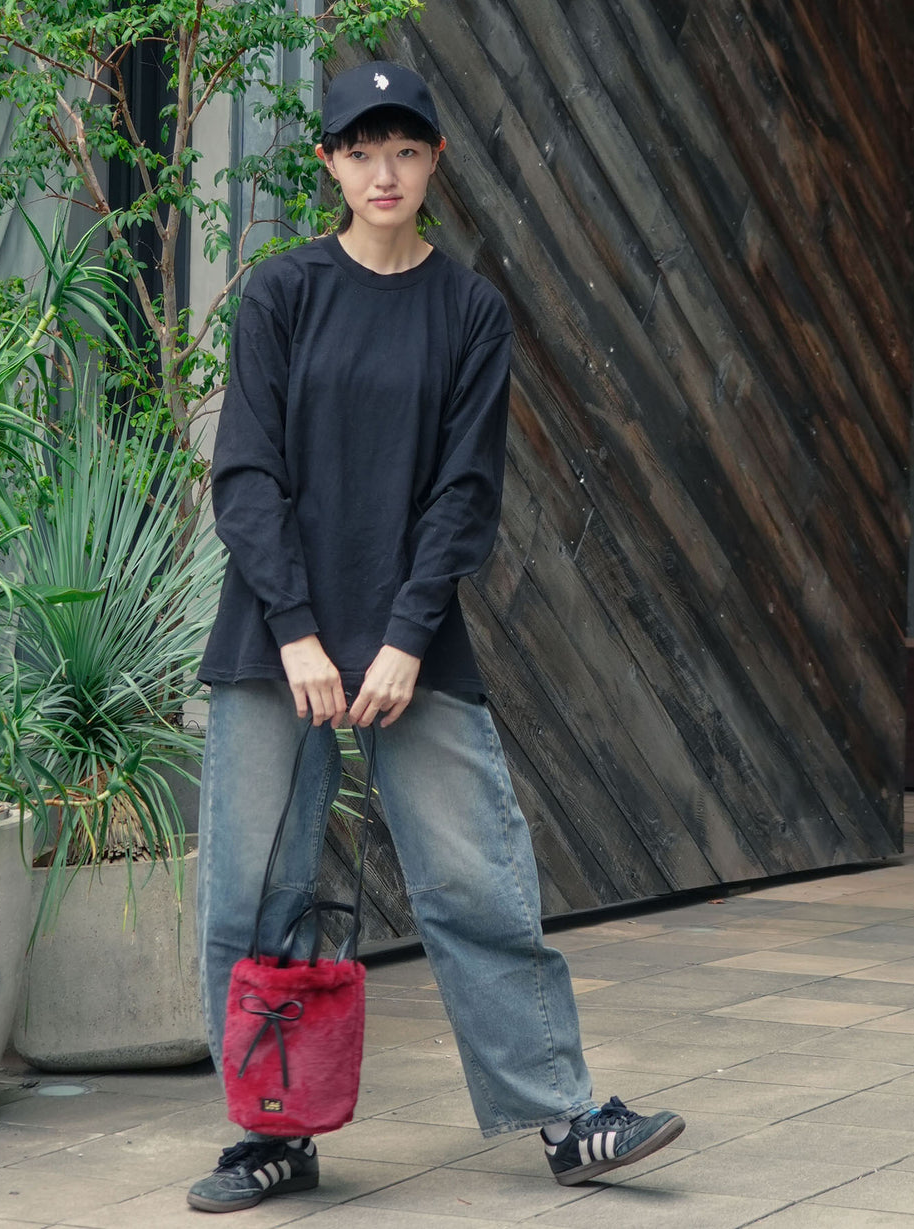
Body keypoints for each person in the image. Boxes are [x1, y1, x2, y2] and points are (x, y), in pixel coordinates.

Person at [189, 60, 685, 1215]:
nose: (384, 171)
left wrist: (406, 635)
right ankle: (267, 1133)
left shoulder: (468, 311)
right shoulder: (282, 294)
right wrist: (299, 631)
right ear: (328, 161)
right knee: (250, 896)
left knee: (476, 878)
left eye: (405, 149)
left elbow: (465, 492)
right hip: (274, 642)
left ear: (434, 161)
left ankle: (566, 1117)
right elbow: (246, 477)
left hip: (413, 640)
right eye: (362, 150)